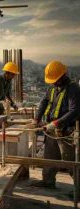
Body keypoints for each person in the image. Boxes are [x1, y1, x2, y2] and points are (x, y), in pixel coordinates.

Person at [29, 61, 80, 189]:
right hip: (52, 129)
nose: (53, 82)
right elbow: (43, 103)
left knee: (70, 160)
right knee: (49, 157)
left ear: (63, 76)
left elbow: (74, 111)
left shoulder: (73, 88)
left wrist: (57, 123)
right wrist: (36, 119)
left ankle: (79, 189)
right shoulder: (52, 87)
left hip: (66, 130)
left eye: (55, 80)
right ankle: (48, 182)